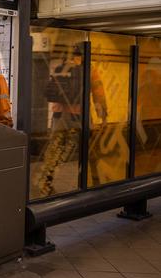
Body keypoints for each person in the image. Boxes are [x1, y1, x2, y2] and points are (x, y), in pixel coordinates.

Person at [36, 47, 108, 197]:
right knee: (90, 149)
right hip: (79, 116)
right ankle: (95, 181)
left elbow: (52, 91)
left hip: (58, 116)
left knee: (55, 150)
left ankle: (47, 184)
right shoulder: (89, 70)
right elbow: (98, 93)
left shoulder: (60, 68)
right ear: (83, 56)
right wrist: (103, 116)